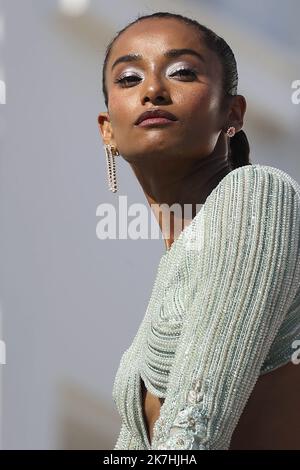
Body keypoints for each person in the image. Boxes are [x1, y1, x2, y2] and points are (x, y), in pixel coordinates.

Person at [97, 12, 300, 450]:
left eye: (182, 72)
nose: (153, 90)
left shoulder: (257, 194)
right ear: (108, 130)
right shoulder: (167, 282)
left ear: (233, 112)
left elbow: (196, 423)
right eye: (129, 78)